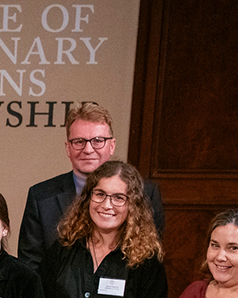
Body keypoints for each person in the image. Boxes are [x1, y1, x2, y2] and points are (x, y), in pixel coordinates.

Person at [18, 103, 165, 272]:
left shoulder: (147, 194)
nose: (88, 149)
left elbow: (150, 261)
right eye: (79, 141)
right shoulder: (41, 197)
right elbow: (30, 268)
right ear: (68, 148)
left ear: (112, 146)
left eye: (97, 141)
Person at [41, 160, 166, 298]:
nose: (107, 205)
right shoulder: (63, 249)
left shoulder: (146, 260)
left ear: (133, 205)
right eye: (100, 194)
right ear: (88, 197)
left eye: (118, 197)